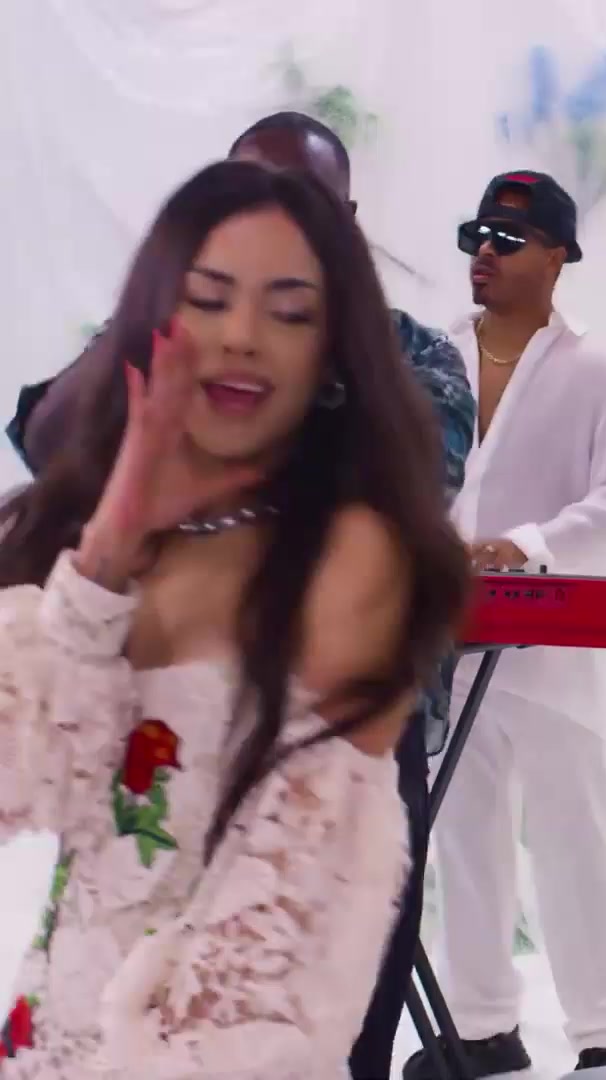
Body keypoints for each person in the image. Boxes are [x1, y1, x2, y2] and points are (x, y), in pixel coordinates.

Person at [5, 110, 475, 1080]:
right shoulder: (128, 531)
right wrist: (112, 537)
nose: (243, 337)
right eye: (210, 297)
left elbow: (261, 987)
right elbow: (20, 776)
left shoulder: (353, 557)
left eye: (288, 309)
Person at [403, 170, 606, 1078]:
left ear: (558, 256)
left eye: (508, 240)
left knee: (574, 836)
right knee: (462, 835)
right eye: (475, 235)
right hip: (446, 640)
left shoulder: (597, 372)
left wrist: (530, 545)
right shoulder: (429, 359)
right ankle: (482, 1028)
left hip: (552, 646)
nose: (485, 252)